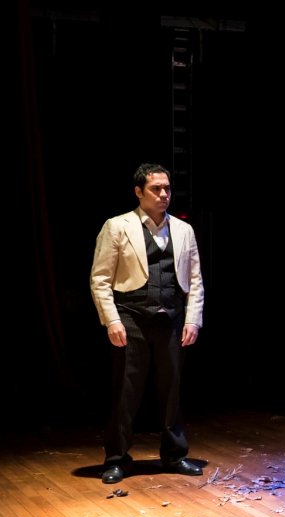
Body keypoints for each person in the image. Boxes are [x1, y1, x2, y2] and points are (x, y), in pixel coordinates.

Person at [89, 163, 205, 484]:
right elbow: (100, 279)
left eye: (167, 188)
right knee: (126, 391)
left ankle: (174, 455)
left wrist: (193, 319)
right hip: (132, 316)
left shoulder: (183, 230)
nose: (164, 194)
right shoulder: (117, 226)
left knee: (171, 390)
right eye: (156, 189)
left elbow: (195, 280)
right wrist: (111, 320)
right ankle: (116, 458)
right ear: (139, 192)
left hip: (171, 317)